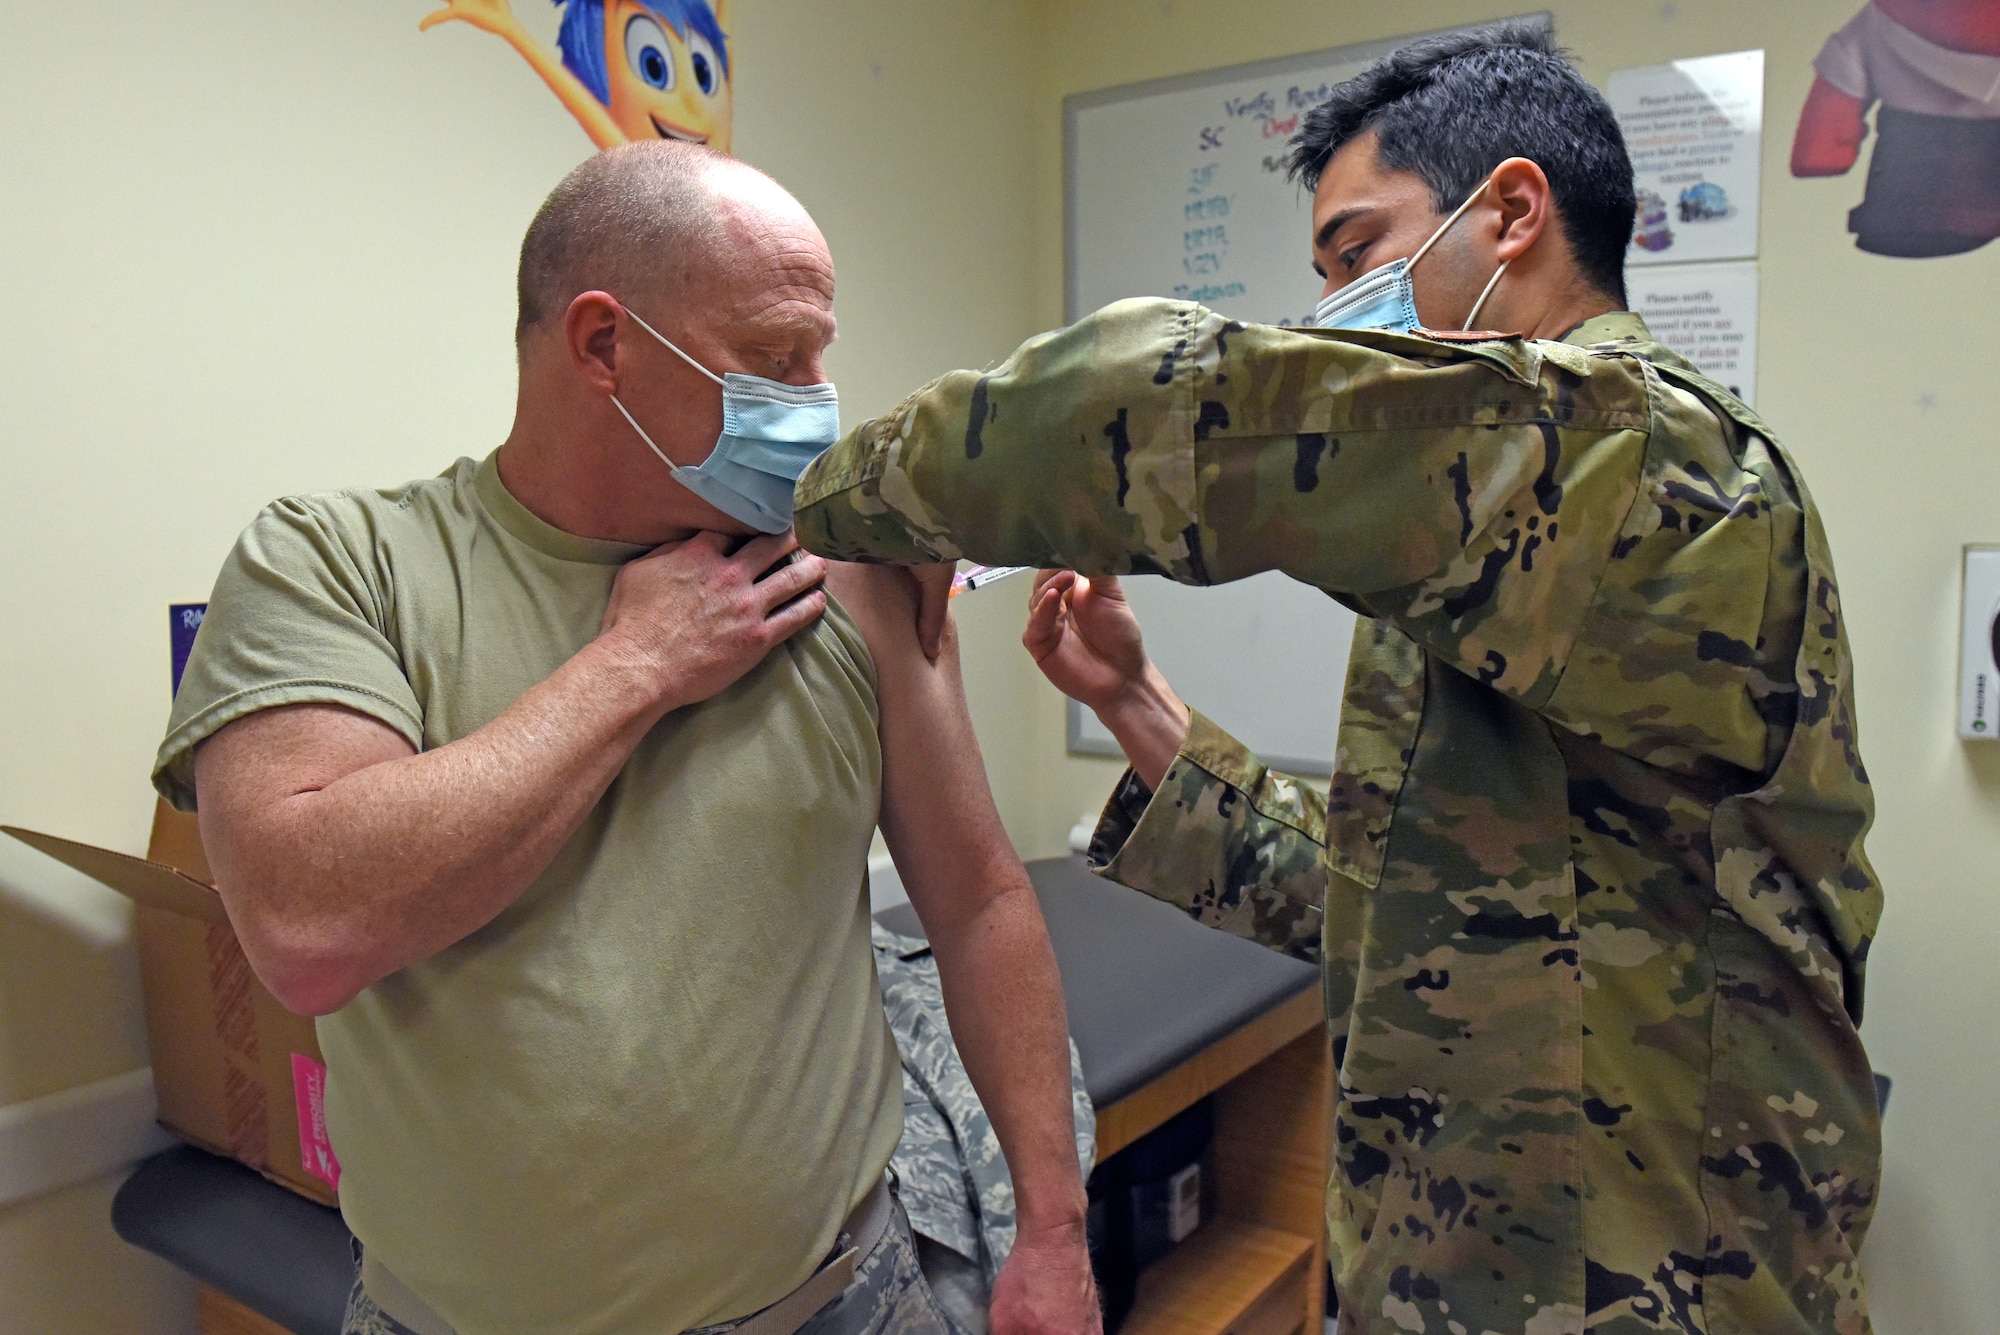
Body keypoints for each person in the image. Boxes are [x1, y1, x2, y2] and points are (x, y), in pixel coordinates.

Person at [792, 24, 1882, 1335]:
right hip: (1461, 1268)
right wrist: (1136, 705)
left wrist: (840, 494)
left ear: (1515, 211)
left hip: (1651, 1288)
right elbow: (1391, 912)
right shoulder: (1514, 570)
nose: (1337, 310)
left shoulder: (1657, 468)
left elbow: (1153, 410)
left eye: (1359, 254)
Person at [153, 142, 1097, 1335]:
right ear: (602, 347)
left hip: (841, 1304)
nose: (816, 400)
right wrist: (636, 668)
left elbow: (979, 904)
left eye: (820, 355)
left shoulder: (850, 577)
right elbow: (305, 931)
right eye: (775, 357)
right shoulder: (338, 565)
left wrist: (1052, 1231)